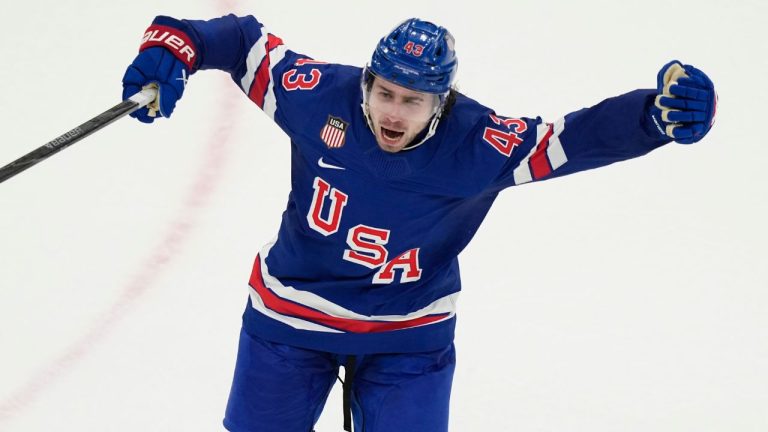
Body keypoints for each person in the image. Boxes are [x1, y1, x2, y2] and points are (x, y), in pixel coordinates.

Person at [121, 14, 717, 432]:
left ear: (442, 101)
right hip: (290, 318)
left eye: (412, 100)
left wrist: (654, 115)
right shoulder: (317, 97)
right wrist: (172, 49)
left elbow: (577, 138)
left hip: (407, 336)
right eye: (384, 93)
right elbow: (241, 41)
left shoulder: (481, 144)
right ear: (368, 84)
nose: (393, 112)